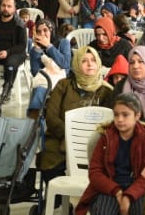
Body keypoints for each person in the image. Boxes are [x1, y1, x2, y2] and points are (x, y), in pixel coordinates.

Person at [40, 47, 114, 177]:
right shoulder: (63, 86)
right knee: (52, 170)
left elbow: (108, 124)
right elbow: (51, 117)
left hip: (95, 146)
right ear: (77, 64)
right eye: (84, 61)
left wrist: (84, 138)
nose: (90, 64)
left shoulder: (106, 91)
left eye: (93, 60)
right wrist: (71, 135)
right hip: (60, 140)